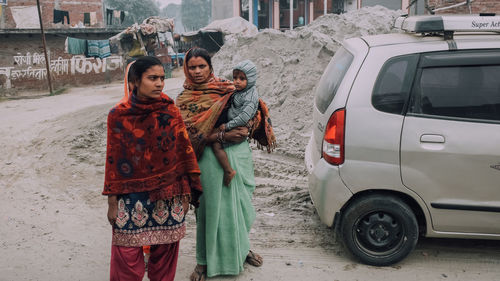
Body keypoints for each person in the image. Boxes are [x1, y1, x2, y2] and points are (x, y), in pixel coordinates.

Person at [176, 47, 275, 281]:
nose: (198, 71)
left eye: (202, 66)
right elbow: (183, 136)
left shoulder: (228, 89)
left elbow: (255, 114)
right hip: (206, 160)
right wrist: (216, 137)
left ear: (210, 66)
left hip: (238, 154)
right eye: (192, 67)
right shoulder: (183, 100)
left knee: (239, 208)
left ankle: (242, 248)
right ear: (186, 69)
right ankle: (202, 261)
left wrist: (247, 129)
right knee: (208, 211)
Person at [103, 56, 202, 281]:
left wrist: (186, 191)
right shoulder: (118, 115)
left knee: (165, 252)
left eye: (162, 78)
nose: (159, 83)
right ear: (135, 81)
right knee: (126, 253)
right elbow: (113, 160)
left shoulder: (170, 111)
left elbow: (183, 153)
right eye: (152, 78)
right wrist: (111, 202)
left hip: (169, 194)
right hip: (131, 196)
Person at [212, 60, 259, 186]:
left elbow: (244, 117)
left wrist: (227, 126)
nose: (237, 81)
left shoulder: (250, 97)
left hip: (237, 127)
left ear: (251, 79)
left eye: (242, 78)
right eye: (235, 77)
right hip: (233, 124)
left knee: (216, 145)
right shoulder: (240, 91)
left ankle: (228, 171)